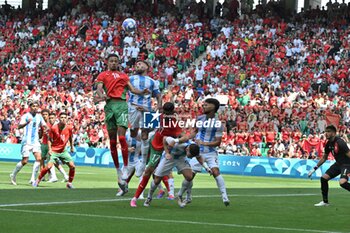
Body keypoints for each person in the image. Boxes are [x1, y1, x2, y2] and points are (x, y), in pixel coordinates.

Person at [94, 54, 149, 191]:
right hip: (109, 106)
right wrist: (101, 96)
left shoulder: (124, 76)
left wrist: (142, 92)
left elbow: (133, 90)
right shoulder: (102, 75)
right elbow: (99, 88)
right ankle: (118, 170)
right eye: (111, 61)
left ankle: (125, 167)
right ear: (107, 62)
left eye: (116, 61)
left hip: (121, 105)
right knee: (112, 141)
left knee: (122, 137)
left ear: (119, 63)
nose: (113, 63)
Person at [130, 102, 184, 207]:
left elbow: (181, 134)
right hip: (156, 147)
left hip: (168, 149)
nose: (166, 114)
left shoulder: (174, 123)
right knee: (148, 171)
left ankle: (175, 194)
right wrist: (143, 109)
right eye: (165, 112)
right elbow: (149, 114)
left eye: (169, 113)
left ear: (172, 112)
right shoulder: (159, 117)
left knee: (162, 174)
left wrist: (181, 140)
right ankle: (135, 198)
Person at [189, 98, 230, 206]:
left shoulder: (218, 124)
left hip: (211, 153)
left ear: (213, 107)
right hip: (198, 152)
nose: (203, 106)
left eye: (206, 105)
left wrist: (204, 143)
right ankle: (187, 196)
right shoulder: (199, 118)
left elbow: (217, 142)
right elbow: (194, 132)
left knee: (216, 172)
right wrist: (186, 139)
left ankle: (225, 196)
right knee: (189, 176)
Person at [143, 136, 201, 207]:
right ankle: (149, 197)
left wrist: (207, 168)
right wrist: (167, 153)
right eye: (191, 155)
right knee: (157, 180)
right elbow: (164, 138)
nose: (191, 157)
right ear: (187, 149)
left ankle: (179, 195)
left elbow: (199, 157)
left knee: (189, 177)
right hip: (169, 158)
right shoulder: (177, 143)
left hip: (180, 159)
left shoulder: (193, 147)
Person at [128, 60, 162, 181]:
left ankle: (142, 161)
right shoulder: (130, 78)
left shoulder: (152, 82)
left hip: (146, 108)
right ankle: (137, 157)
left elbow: (158, 95)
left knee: (144, 133)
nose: (138, 66)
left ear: (147, 67)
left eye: (140, 64)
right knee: (133, 133)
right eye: (136, 64)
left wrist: (159, 105)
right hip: (132, 107)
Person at [308, 125, 350, 207]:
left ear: (334, 133)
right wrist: (314, 169)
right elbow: (324, 158)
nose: (326, 133)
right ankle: (325, 202)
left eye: (328, 132)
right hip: (338, 164)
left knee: (342, 182)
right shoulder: (328, 144)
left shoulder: (340, 142)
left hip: (347, 164)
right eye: (325, 131)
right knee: (323, 178)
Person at [33, 112, 76, 189]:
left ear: (67, 119)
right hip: (54, 150)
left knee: (72, 166)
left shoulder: (69, 128)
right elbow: (49, 139)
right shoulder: (54, 128)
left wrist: (72, 147)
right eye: (61, 117)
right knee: (48, 166)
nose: (63, 119)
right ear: (59, 118)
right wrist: (50, 149)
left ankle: (69, 183)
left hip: (63, 151)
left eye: (64, 117)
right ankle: (38, 180)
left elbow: (70, 137)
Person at [10, 101, 47, 185]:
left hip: (36, 141)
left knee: (38, 158)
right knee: (25, 161)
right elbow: (19, 126)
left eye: (36, 106)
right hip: (27, 141)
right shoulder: (26, 116)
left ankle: (33, 179)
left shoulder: (39, 117)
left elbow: (44, 125)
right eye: (33, 106)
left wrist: (46, 129)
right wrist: (27, 122)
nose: (35, 108)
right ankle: (13, 175)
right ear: (30, 107)